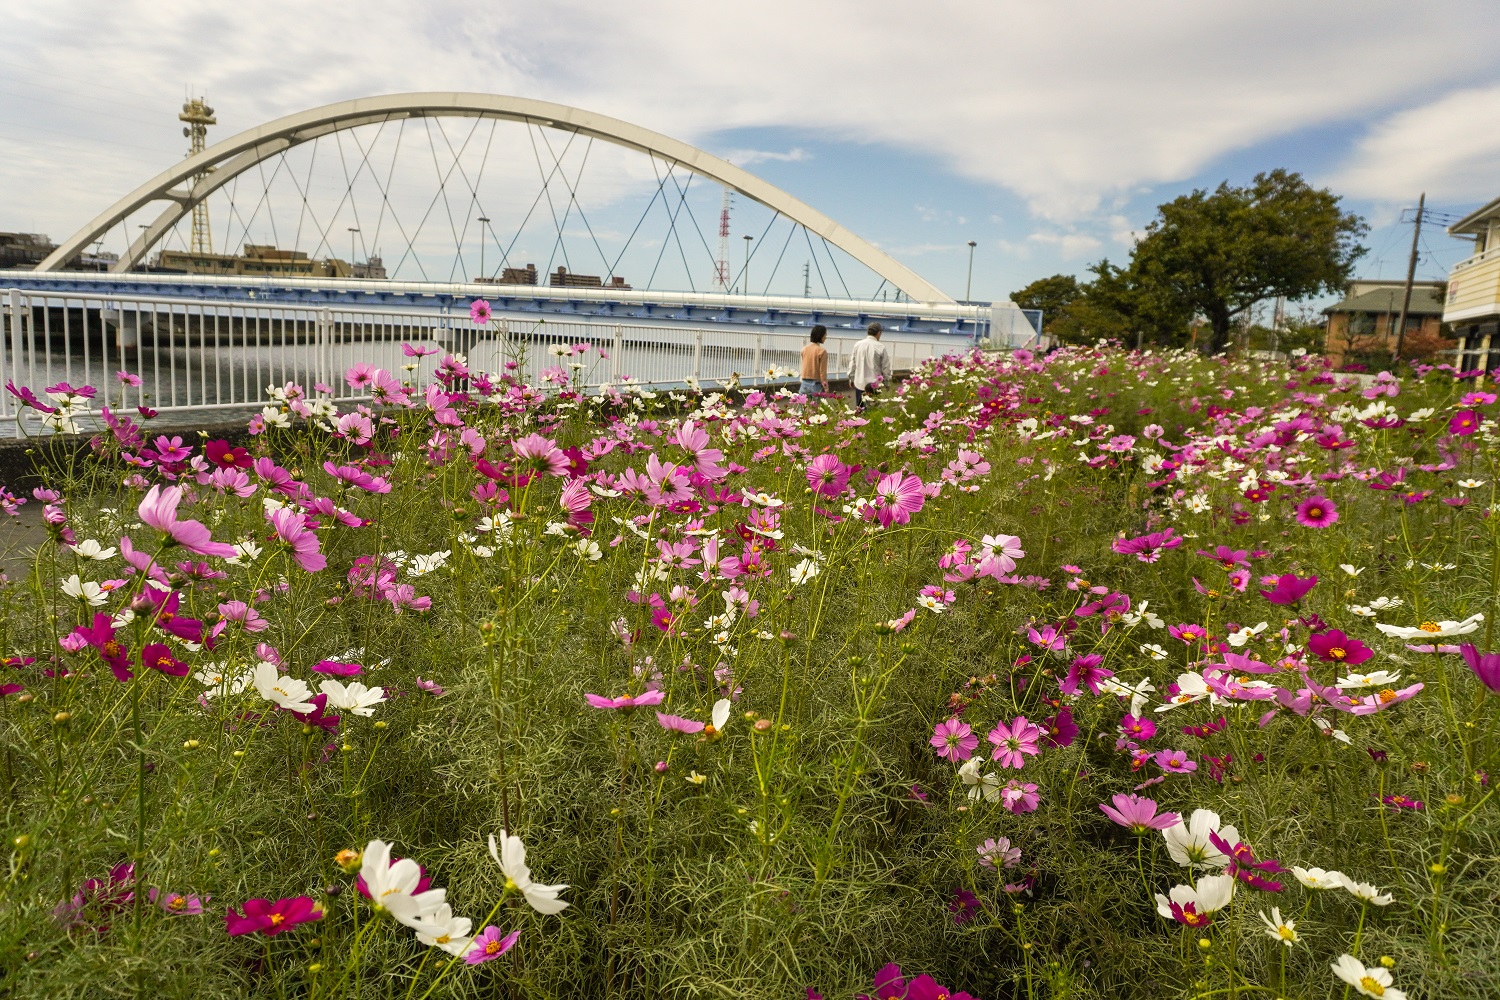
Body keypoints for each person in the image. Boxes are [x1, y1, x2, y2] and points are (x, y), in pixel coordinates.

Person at [848, 321, 891, 409]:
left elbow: (853, 363)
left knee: (859, 410)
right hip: (874, 385)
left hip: (859, 383)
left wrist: (851, 378)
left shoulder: (858, 345)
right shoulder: (880, 347)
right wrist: (887, 382)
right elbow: (885, 367)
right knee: (873, 411)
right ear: (879, 333)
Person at [799, 325, 829, 397]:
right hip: (816, 385)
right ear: (820, 336)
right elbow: (822, 373)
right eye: (825, 335)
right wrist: (826, 387)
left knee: (802, 407)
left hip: (804, 383)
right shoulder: (822, 351)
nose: (826, 337)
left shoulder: (804, 349)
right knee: (815, 407)